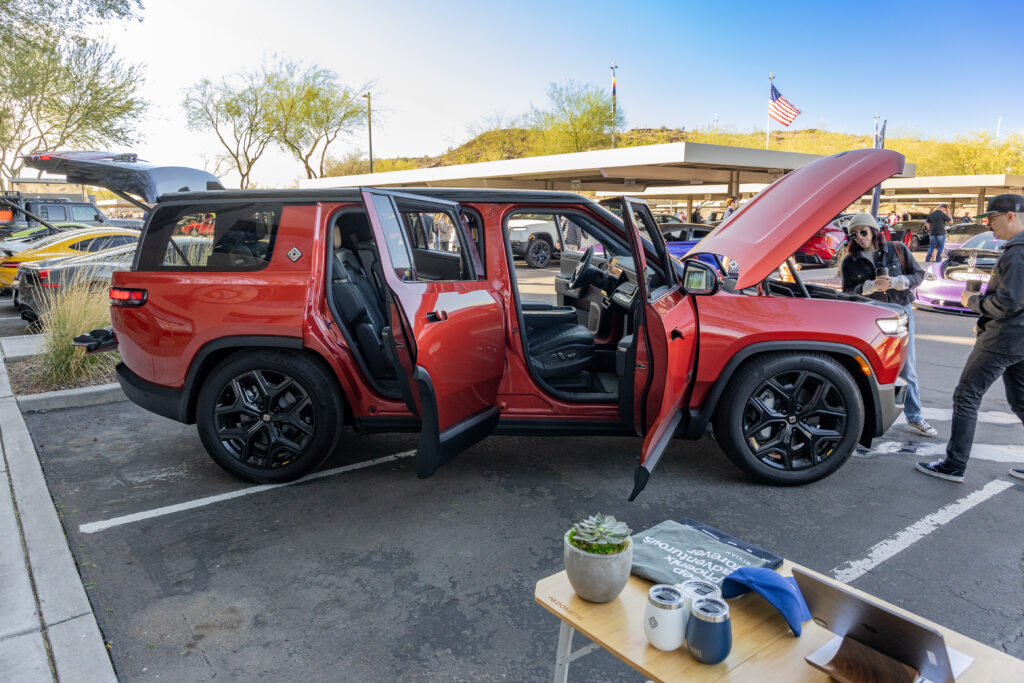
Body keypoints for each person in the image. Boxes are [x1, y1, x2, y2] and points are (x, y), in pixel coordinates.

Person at [916, 194, 1024, 483]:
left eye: (993, 219)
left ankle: (954, 465)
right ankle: (954, 463)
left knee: (966, 396)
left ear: (1011, 215)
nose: (990, 227)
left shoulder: (1016, 253)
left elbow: (1008, 303)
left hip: (1003, 338)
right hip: (1017, 338)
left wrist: (972, 300)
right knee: (1020, 401)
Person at [840, 214, 935, 437]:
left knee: (907, 368)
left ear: (874, 230)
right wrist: (869, 286)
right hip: (871, 319)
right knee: (871, 368)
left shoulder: (896, 249)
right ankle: (864, 419)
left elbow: (918, 274)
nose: (860, 238)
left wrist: (897, 282)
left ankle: (915, 417)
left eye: (863, 232)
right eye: (855, 234)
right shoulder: (850, 260)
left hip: (900, 313)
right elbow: (846, 293)